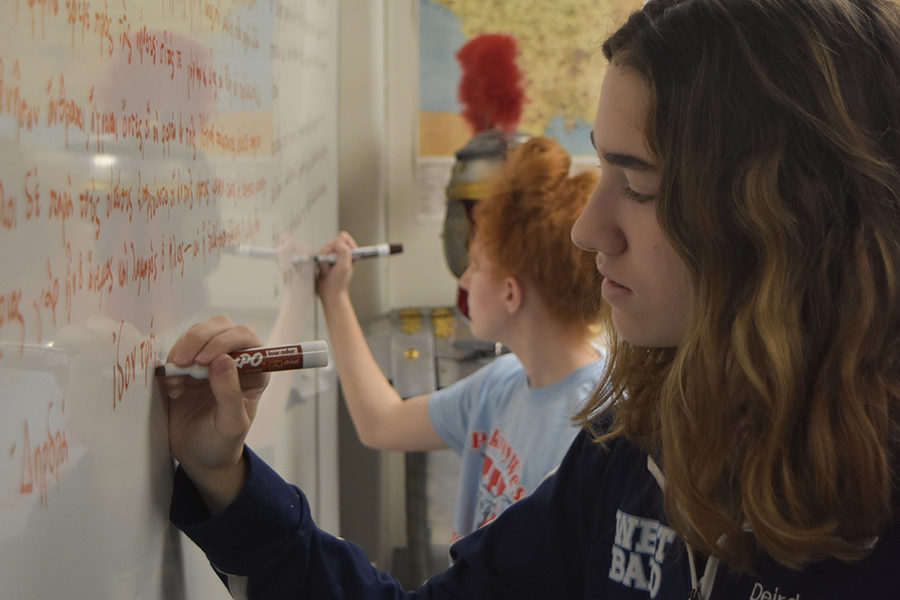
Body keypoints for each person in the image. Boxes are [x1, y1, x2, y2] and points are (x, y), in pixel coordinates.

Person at [164, 0, 900, 597]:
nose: (588, 229)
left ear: (784, 220)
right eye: (601, 168)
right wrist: (224, 477)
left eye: (638, 186)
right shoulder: (631, 449)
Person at [315, 136, 607, 540]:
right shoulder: (502, 383)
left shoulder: (599, 426)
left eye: (476, 264)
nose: (465, 280)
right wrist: (335, 298)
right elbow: (380, 424)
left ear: (510, 293)